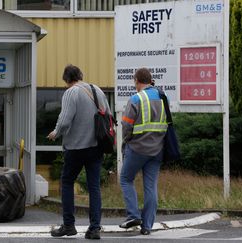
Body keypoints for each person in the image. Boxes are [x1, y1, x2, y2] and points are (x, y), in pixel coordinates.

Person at [47, 64, 111, 240]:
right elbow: (108, 115)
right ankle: (94, 228)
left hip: (76, 147)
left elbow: (65, 120)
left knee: (67, 182)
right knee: (94, 187)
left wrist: (56, 132)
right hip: (96, 146)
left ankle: (69, 225)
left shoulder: (71, 92)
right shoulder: (96, 90)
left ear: (67, 79)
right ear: (80, 75)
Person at [119, 68, 168, 235]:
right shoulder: (163, 98)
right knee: (151, 187)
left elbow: (126, 126)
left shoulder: (136, 99)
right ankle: (147, 226)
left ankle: (133, 215)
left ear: (137, 81)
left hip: (137, 148)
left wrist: (126, 140)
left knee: (126, 179)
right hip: (157, 149)